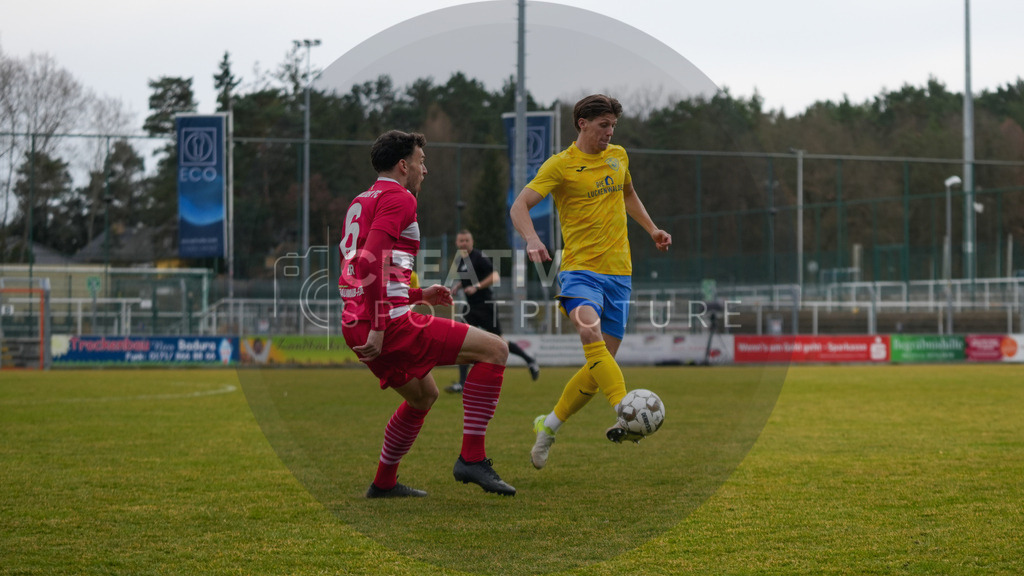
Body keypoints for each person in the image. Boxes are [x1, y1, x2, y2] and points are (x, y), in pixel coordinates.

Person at [339, 130, 516, 497]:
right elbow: (372, 260)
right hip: (385, 323)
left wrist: (419, 294)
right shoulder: (399, 198)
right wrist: (379, 323)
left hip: (356, 321)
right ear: (404, 166)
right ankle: (472, 458)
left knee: (424, 396)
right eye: (421, 161)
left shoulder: (362, 199)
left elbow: (363, 269)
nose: (425, 169)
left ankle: (384, 483)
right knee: (496, 350)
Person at [509, 94, 672, 469]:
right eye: (603, 126)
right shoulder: (561, 165)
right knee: (589, 334)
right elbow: (519, 206)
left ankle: (548, 426)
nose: (609, 132)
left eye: (613, 126)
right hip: (580, 271)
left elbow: (628, 193)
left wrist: (652, 229)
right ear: (582, 123)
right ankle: (625, 409)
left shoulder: (619, 156)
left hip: (620, 274)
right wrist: (532, 238)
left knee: (600, 365)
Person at [445, 229, 541, 394]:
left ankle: (530, 360)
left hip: (486, 306)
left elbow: (494, 276)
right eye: (461, 241)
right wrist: (459, 286)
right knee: (461, 341)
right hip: (471, 308)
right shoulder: (461, 261)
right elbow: (469, 278)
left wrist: (477, 287)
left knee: (501, 342)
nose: (463, 244)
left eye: (466, 241)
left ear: (472, 242)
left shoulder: (478, 257)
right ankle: (462, 383)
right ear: (456, 243)